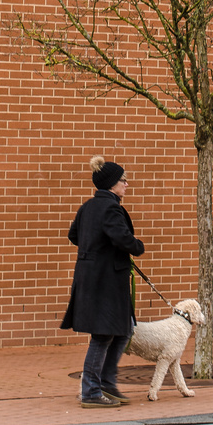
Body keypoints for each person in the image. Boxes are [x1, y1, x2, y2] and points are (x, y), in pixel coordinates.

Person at [61, 155, 144, 408]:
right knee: (103, 335)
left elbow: (73, 235)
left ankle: (105, 382)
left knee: (123, 329)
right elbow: (122, 239)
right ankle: (91, 392)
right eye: (124, 180)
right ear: (111, 184)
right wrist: (137, 247)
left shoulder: (88, 207)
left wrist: (94, 249)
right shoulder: (111, 207)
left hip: (92, 279)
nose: (127, 185)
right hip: (105, 281)